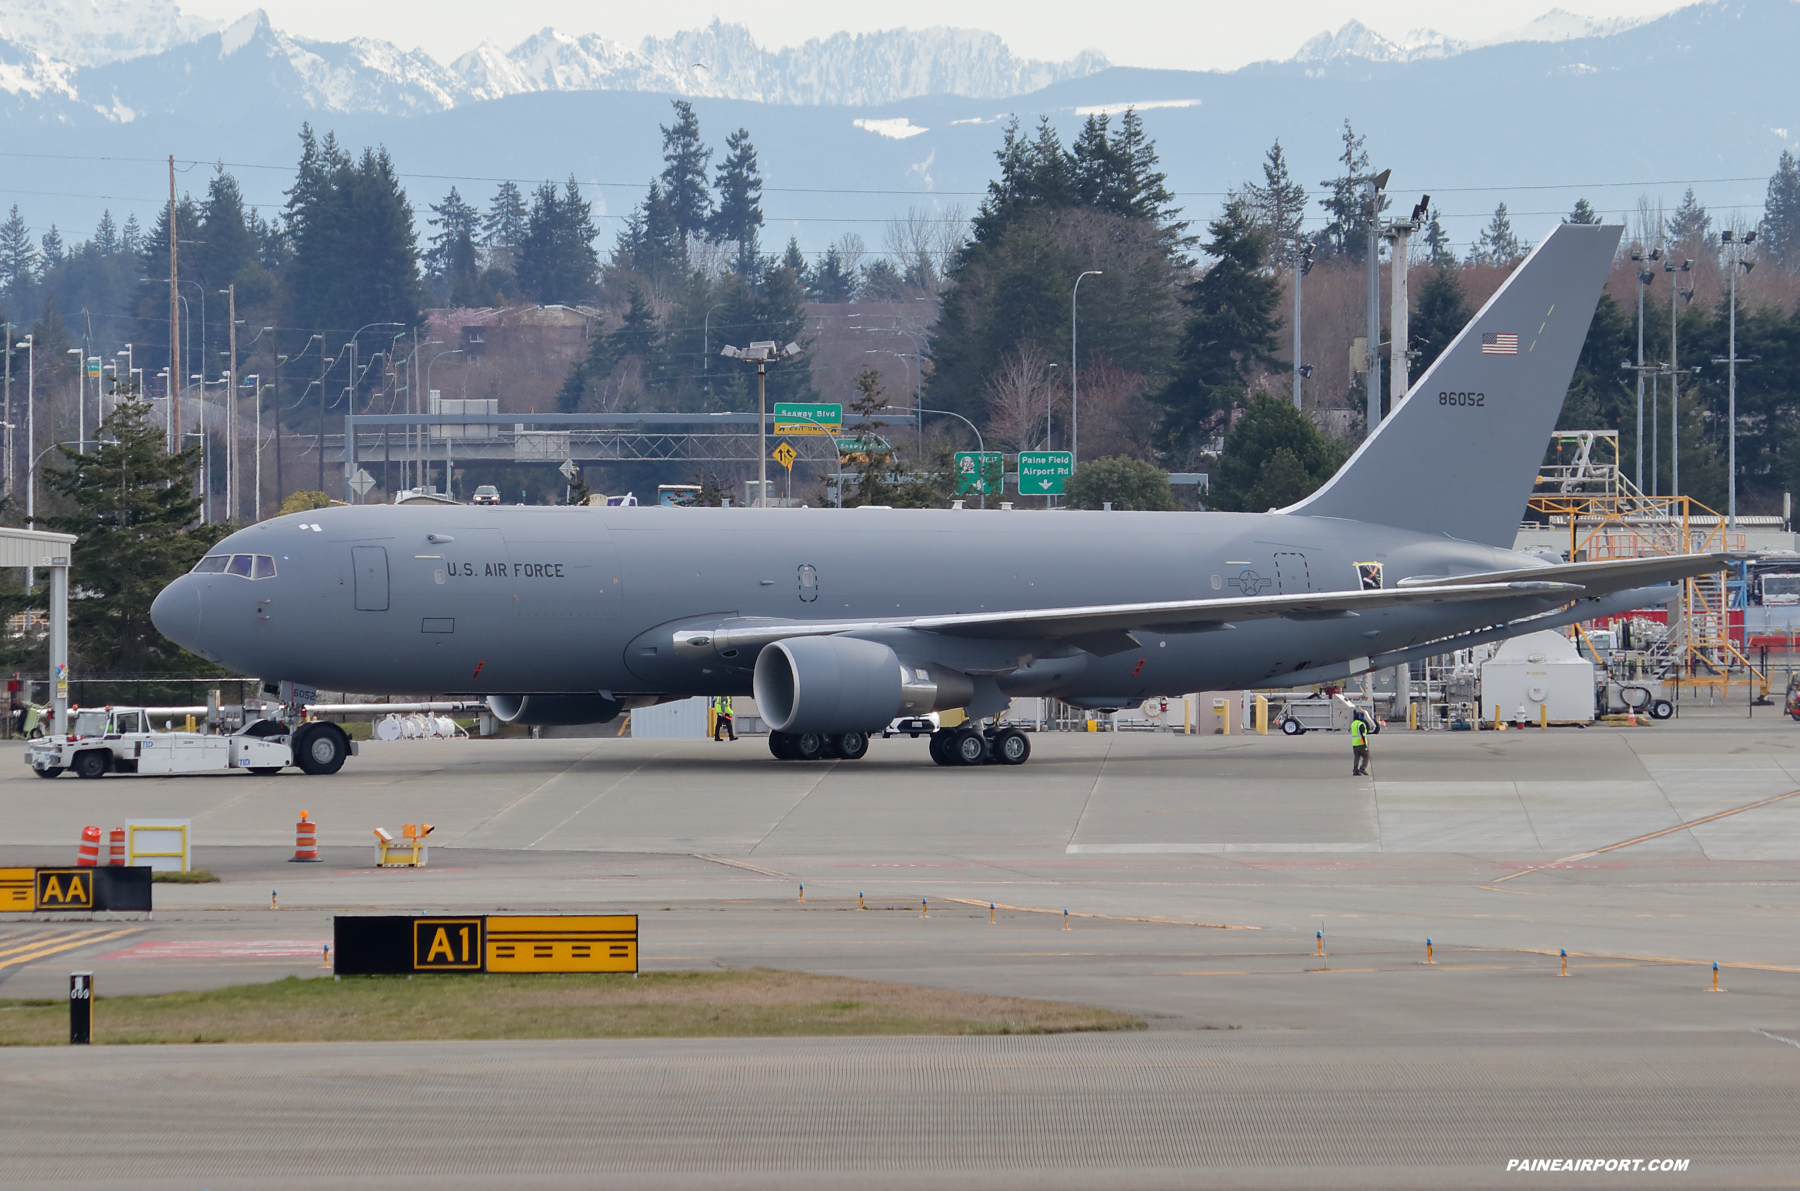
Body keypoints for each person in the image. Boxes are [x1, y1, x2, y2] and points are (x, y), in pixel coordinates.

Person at [1350, 710, 1370, 776]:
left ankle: (1355, 770)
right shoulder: (1361, 724)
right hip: (1361, 743)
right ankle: (1362, 768)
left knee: (1356, 757)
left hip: (1354, 743)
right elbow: (1363, 735)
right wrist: (1365, 744)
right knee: (1366, 756)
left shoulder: (1353, 724)